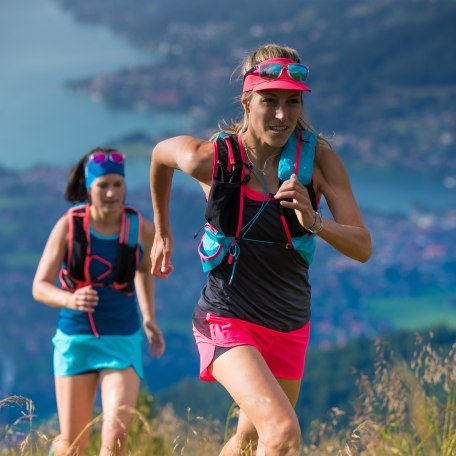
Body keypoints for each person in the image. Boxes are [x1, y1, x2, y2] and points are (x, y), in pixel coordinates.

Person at [150, 43, 372, 455]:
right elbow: (161, 156)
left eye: (293, 101)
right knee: (283, 433)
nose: (283, 115)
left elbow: (363, 247)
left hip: (288, 324)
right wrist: (163, 232)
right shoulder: (214, 158)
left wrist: (315, 222)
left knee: (249, 438)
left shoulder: (319, 164)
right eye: (270, 101)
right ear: (247, 98)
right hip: (226, 318)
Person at [33, 148, 165, 456]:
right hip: (76, 340)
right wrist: (71, 299)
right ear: (89, 189)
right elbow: (39, 287)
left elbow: (143, 271)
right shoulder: (69, 226)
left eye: (117, 185)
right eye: (102, 185)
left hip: (121, 339)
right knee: (72, 445)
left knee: (116, 438)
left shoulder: (138, 228)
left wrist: (148, 317)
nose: (110, 192)